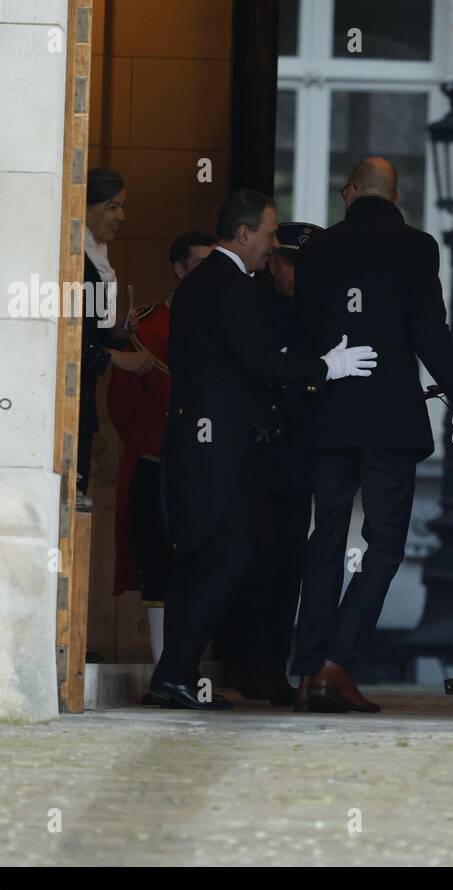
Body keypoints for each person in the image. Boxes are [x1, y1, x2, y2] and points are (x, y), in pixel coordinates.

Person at [149, 189, 378, 710]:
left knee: (218, 556)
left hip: (215, 444)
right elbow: (261, 363)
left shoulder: (217, 283)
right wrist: (327, 367)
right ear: (245, 233)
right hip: (217, 449)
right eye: (270, 233)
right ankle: (175, 673)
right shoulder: (228, 284)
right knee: (223, 556)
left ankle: (175, 673)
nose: (272, 244)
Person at [291, 157, 453, 714]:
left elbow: (303, 330)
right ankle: (337, 663)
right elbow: (427, 329)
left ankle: (309, 669)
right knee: (383, 544)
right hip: (387, 417)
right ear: (395, 192)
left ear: (352, 192)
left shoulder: (317, 248)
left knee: (325, 539)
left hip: (330, 411)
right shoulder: (416, 246)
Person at [219, 221, 323, 705]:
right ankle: (242, 664)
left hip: (297, 454)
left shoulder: (315, 312)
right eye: (292, 266)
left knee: (287, 566)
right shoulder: (253, 303)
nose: (297, 276)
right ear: (274, 261)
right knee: (249, 558)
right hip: (254, 453)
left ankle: (272, 667)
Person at [105, 231, 216, 672]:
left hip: (210, 468)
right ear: (179, 269)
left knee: (205, 568)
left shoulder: (224, 321)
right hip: (157, 462)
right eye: (202, 265)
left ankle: (189, 670)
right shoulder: (148, 325)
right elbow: (123, 405)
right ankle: (165, 671)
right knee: (157, 570)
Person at [80, 167, 154, 504]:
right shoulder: (73, 260)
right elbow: (70, 343)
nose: (121, 216)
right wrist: (118, 357)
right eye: (112, 206)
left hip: (86, 401)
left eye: (122, 206)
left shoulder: (98, 259)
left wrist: (117, 332)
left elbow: (93, 332)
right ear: (84, 206)